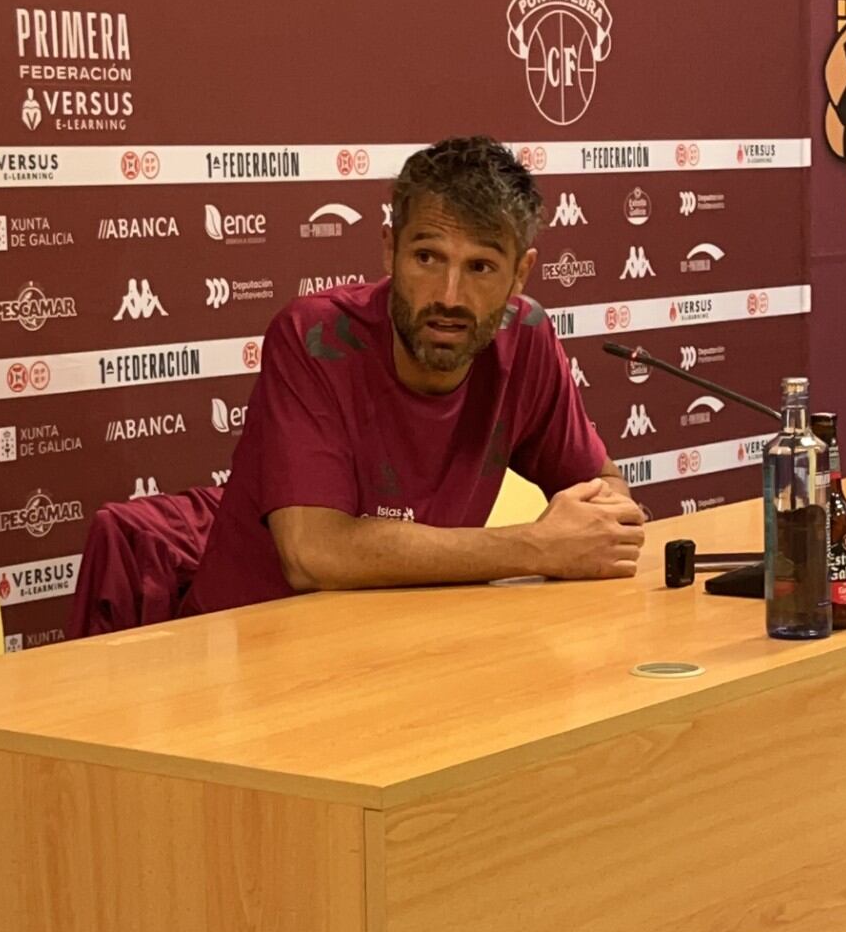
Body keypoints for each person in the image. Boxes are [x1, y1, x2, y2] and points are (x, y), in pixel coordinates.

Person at [183, 135, 645, 615]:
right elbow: (313, 553)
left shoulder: (525, 336)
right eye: (427, 258)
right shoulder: (315, 338)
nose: (449, 296)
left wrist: (599, 522)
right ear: (390, 250)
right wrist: (537, 546)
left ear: (520, 273)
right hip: (261, 635)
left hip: (414, 632)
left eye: (481, 267)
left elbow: (601, 483)